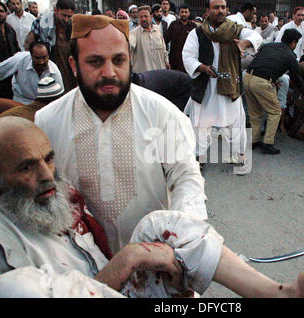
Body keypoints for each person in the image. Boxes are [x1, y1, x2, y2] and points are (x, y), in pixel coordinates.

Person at [0, 118, 304, 298]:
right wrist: (126, 261)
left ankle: (282, 296)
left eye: (49, 159)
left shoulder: (57, 194)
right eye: (27, 166)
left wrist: (155, 259)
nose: (46, 175)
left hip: (120, 289)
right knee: (14, 290)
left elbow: (186, 170)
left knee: (162, 224)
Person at [35, 14, 203, 252]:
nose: (109, 72)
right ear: (74, 65)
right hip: (82, 264)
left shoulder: (161, 113)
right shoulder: (48, 121)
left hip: (156, 259)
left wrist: (184, 240)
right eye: (95, 62)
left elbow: (185, 177)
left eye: (118, 60)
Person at [182, 0, 262, 174]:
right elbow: (188, 56)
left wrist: (245, 43)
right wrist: (202, 68)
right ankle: (199, 158)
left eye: (223, 7)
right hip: (205, 87)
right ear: (208, 11)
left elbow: (257, 36)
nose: (220, 11)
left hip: (230, 86)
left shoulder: (236, 29)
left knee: (236, 124)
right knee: (201, 125)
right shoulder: (197, 33)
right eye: (216, 7)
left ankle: (240, 157)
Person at [243, 29, 304, 155]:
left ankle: (254, 141)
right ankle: (267, 143)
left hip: (247, 78)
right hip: (261, 82)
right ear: (294, 42)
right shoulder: (290, 56)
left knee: (255, 113)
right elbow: (297, 78)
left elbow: (264, 62)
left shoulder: (268, 46)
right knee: (275, 112)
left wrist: (272, 78)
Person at [0, 41, 63, 105]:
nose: (41, 62)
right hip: (20, 102)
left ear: (48, 56)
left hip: (42, 107)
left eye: (44, 58)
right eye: (37, 58)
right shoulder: (19, 60)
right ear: (31, 55)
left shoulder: (55, 72)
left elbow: (60, 99)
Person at [24, 0, 76, 93]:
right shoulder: (41, 23)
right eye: (64, 15)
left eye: (69, 16)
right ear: (56, 11)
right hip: (48, 65)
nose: (66, 19)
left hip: (68, 66)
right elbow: (29, 44)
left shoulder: (73, 26)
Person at [129, 5, 170, 73]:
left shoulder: (157, 30)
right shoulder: (134, 33)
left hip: (159, 73)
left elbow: (163, 49)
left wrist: (167, 61)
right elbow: (129, 46)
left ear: (151, 16)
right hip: (143, 77)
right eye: (141, 17)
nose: (143, 19)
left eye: (146, 16)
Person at [164, 3, 197, 73]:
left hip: (188, 60)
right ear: (179, 13)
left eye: (186, 12)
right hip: (174, 60)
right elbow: (165, 41)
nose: (184, 14)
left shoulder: (193, 26)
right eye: (182, 12)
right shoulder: (173, 25)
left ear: (189, 13)